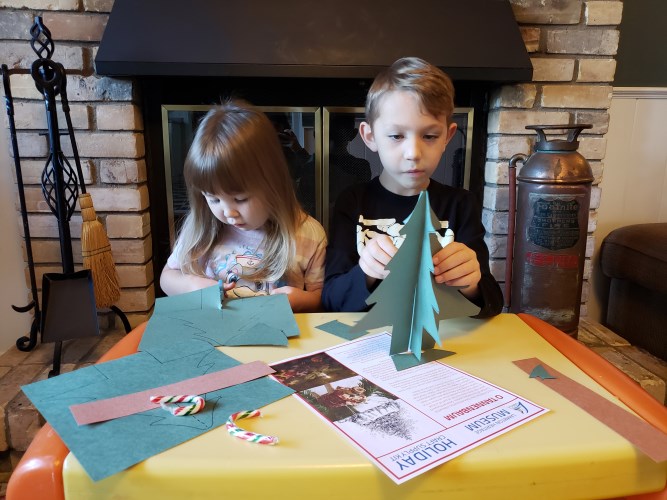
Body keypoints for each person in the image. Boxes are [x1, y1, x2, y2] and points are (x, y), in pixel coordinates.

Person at [322, 57, 503, 317]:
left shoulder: (460, 204)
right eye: (396, 136)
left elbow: (492, 303)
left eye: (429, 136)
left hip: (444, 342)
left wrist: (472, 284)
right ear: (370, 137)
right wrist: (366, 273)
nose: (413, 153)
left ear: (448, 137)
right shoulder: (352, 202)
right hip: (367, 344)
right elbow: (331, 300)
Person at [160, 100, 327, 313]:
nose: (228, 212)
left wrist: (300, 300)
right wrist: (195, 286)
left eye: (240, 199)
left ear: (273, 184)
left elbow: (321, 297)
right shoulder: (202, 229)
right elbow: (167, 278)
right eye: (213, 199)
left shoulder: (308, 235)